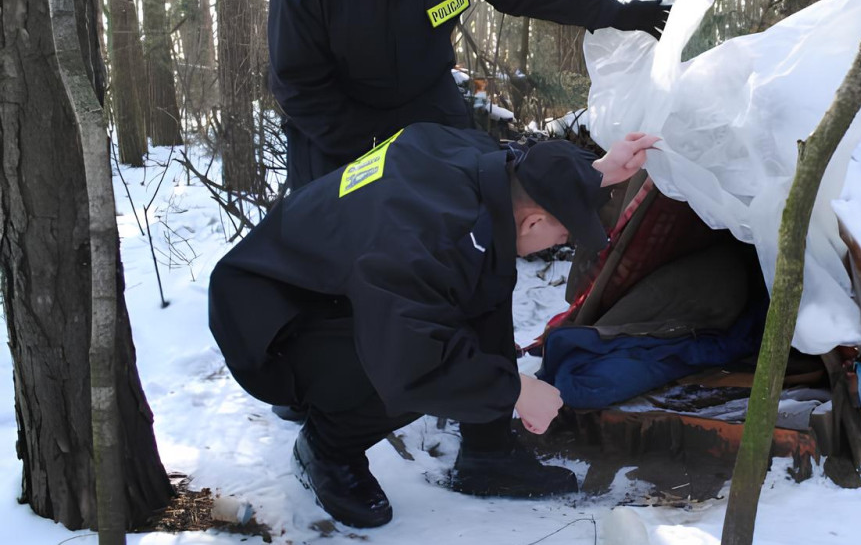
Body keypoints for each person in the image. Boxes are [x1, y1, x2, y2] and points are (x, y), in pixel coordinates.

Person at [208, 122, 659, 528]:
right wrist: (514, 390)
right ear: (536, 219)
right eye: (561, 236)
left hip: (326, 284)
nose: (557, 245)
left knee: (477, 284)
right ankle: (327, 447)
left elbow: (534, 168)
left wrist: (594, 172)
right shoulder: (422, 236)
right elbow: (411, 361)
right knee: (421, 367)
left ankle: (487, 454)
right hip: (270, 323)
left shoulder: (484, 174)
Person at [269, 0, 670, 189]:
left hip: (426, 97)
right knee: (339, 237)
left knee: (467, 205)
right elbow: (300, 87)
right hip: (338, 119)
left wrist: (613, 12)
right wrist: (373, 150)